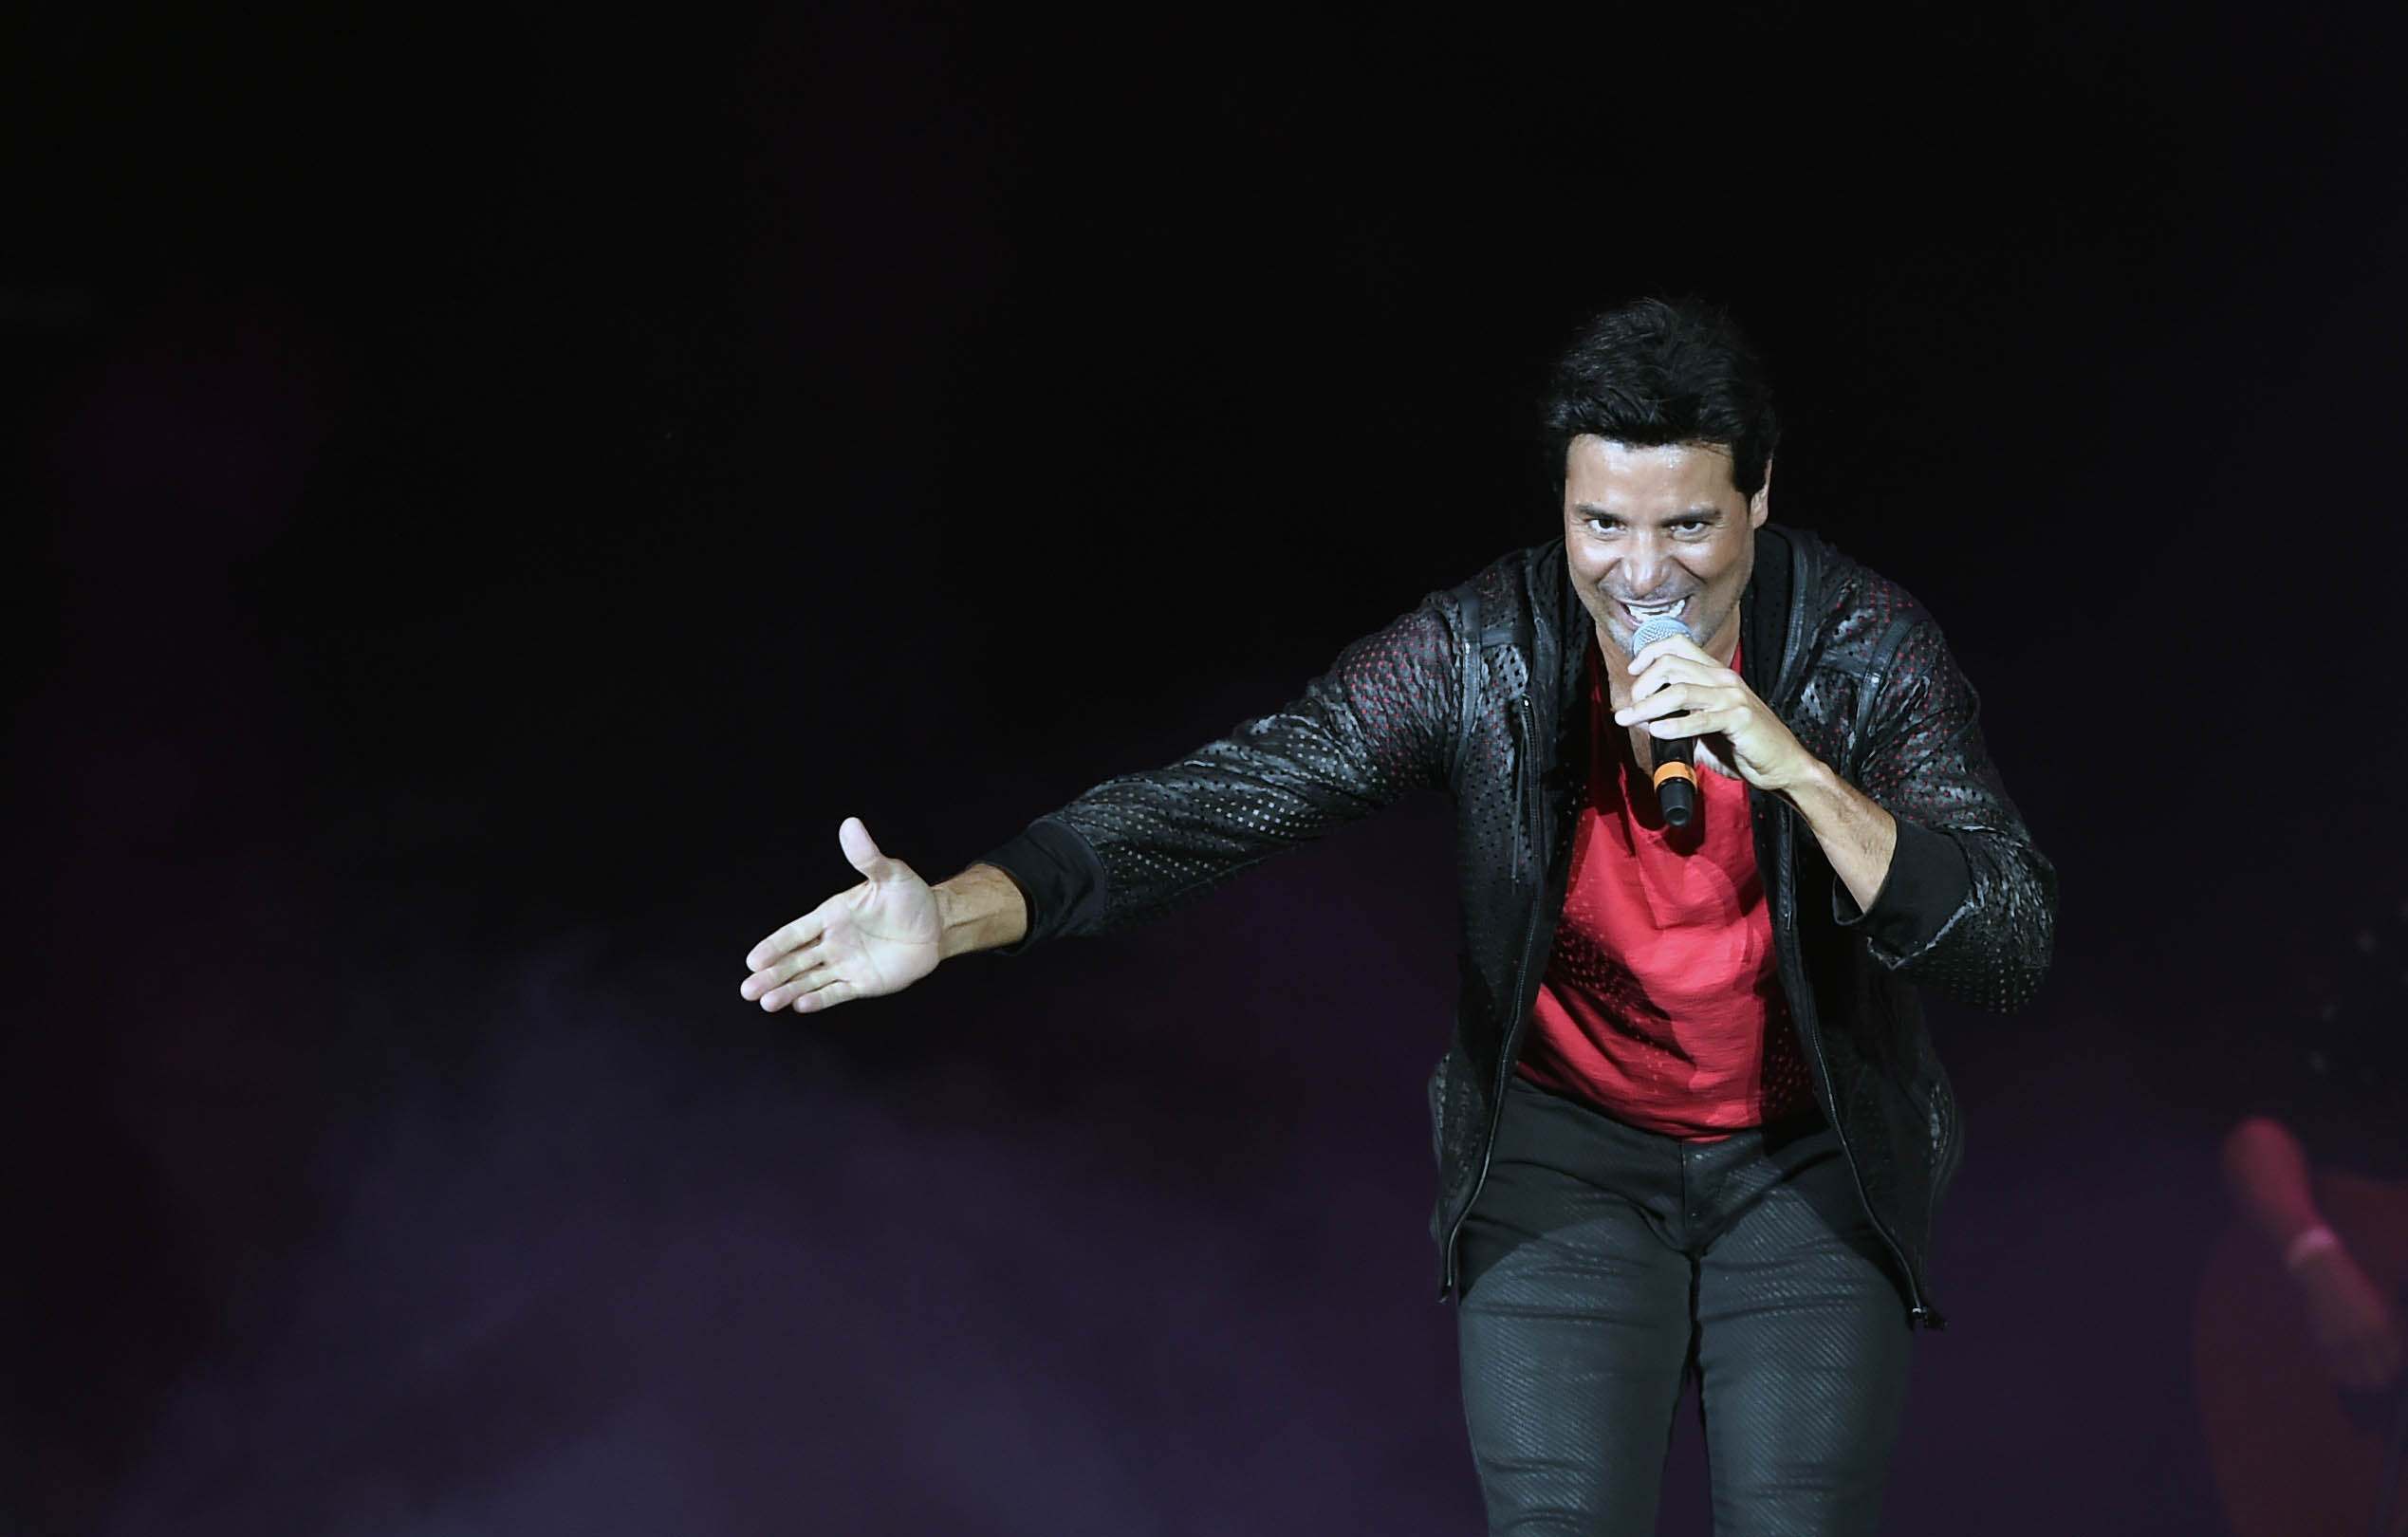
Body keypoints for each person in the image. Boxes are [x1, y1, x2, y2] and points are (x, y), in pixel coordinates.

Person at [740, 298, 2056, 1534]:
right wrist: (957, 912)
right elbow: (1239, 791)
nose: (1642, 573)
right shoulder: (1484, 647)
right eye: (1602, 525)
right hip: (1564, 1158)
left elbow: (2006, 941)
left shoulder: (1863, 648)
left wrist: (1799, 773)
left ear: (1760, 495)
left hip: (1804, 1159)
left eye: (1690, 527)